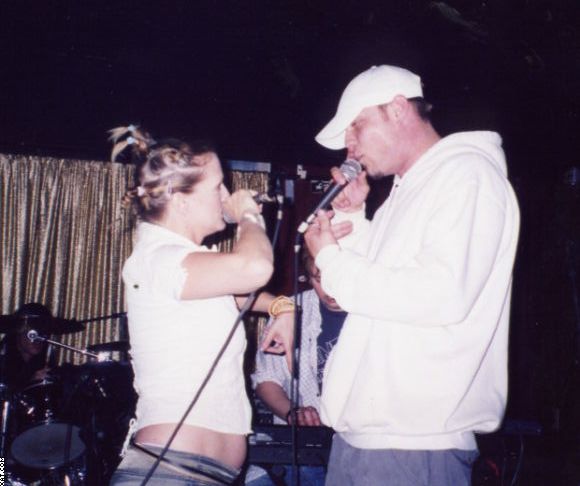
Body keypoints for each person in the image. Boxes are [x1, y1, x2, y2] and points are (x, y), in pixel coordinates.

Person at [303, 65, 520, 485]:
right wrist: (354, 217)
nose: (349, 147)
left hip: (414, 445)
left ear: (399, 108)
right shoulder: (408, 192)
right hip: (364, 440)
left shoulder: (467, 176)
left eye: (356, 127)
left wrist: (329, 257)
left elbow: (440, 295)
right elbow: (370, 293)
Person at [108, 126, 293, 486]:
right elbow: (254, 269)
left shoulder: (185, 261)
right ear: (182, 201)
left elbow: (237, 294)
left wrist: (282, 306)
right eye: (218, 186)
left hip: (209, 474)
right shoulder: (157, 258)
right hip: (169, 473)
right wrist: (248, 216)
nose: (227, 196)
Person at [246, 251, 347, 485]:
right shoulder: (291, 310)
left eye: (336, 278)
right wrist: (292, 412)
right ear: (308, 278)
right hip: (301, 451)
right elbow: (266, 380)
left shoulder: (376, 313)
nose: (329, 290)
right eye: (319, 280)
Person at [0, 303, 55, 391]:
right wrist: (32, 382)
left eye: (43, 333)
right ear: (19, 331)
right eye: (33, 334)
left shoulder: (43, 364)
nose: (38, 339)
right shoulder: (3, 362)